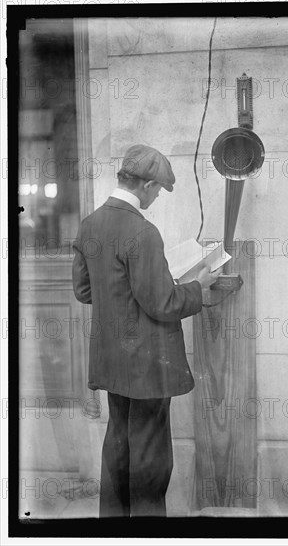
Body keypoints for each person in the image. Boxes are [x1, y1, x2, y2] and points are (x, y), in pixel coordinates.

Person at [72, 144, 219, 517]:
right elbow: (163, 303)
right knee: (151, 461)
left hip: (112, 362)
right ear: (148, 184)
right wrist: (198, 288)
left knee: (118, 448)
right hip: (148, 366)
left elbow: (85, 290)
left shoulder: (90, 224)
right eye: (157, 191)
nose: (156, 198)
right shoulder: (143, 231)